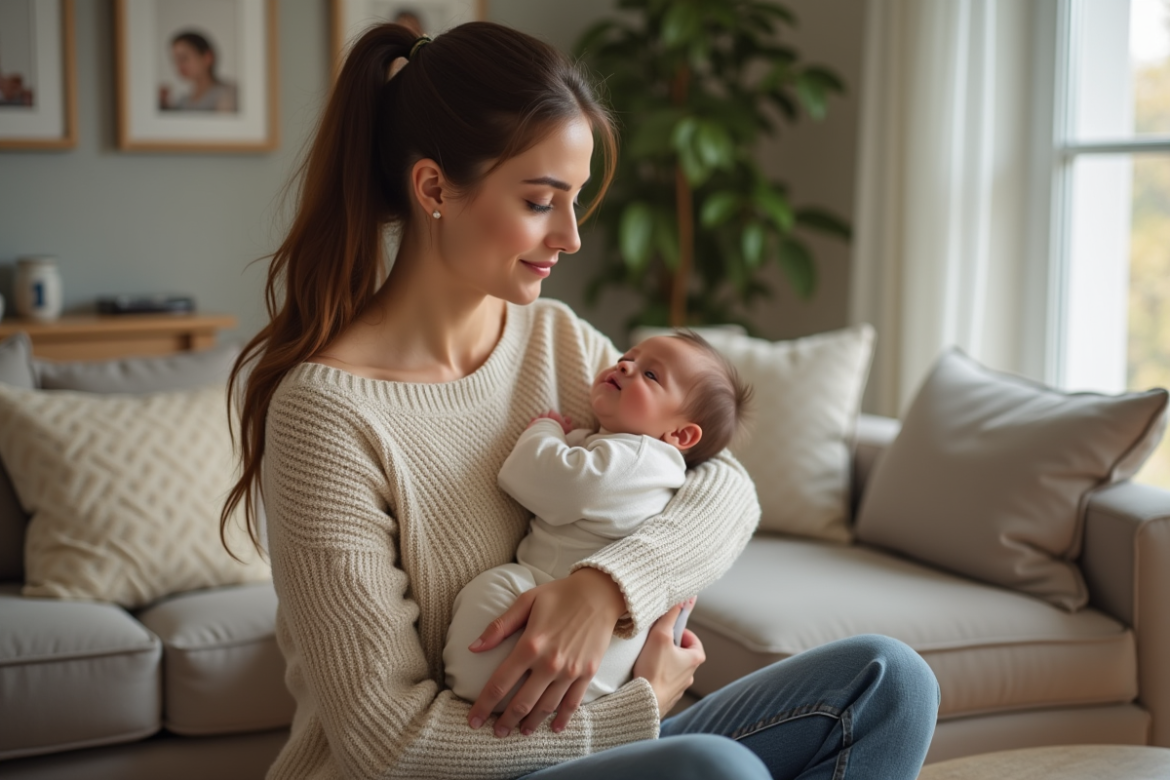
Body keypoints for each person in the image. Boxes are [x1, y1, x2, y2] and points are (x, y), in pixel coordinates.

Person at [222, 20, 940, 780]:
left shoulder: (554, 339)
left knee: (888, 682)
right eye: (541, 201)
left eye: (576, 201)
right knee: (713, 771)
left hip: (579, 743)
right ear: (434, 188)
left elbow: (724, 487)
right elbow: (389, 746)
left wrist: (607, 589)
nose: (569, 236)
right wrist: (641, 712)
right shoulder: (325, 414)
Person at [444, 332, 751, 711]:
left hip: (572, 637)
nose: (624, 365)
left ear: (680, 434)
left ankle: (474, 682)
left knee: (494, 586)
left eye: (651, 376)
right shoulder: (642, 459)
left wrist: (545, 429)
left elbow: (532, 476)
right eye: (628, 357)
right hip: (608, 657)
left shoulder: (638, 457)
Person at [160, 30, 238, 112]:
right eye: (175, 60)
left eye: (183, 58)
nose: (179, 65)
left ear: (208, 57)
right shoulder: (183, 101)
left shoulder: (227, 94)